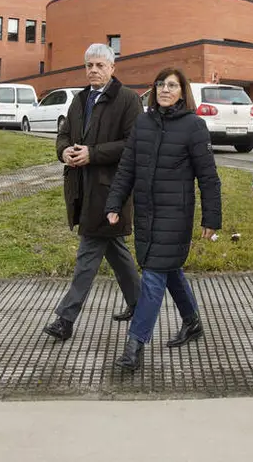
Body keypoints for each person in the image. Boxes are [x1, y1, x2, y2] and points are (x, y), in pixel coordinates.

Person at [104, 66, 221, 371]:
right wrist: (114, 202)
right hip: (146, 212)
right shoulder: (143, 123)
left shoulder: (194, 126)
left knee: (154, 274)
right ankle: (192, 322)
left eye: (172, 85)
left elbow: (208, 177)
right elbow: (127, 168)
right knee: (169, 269)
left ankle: (134, 345)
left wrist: (212, 217)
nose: (165, 90)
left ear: (183, 91)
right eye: (160, 85)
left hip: (176, 215)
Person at [42, 44, 143, 341]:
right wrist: (66, 153)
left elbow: (133, 144)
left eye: (100, 65)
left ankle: (65, 318)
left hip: (110, 192)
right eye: (89, 65)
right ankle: (140, 303)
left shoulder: (127, 100)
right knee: (115, 250)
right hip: (82, 189)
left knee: (88, 255)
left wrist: (93, 154)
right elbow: (64, 134)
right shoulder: (80, 99)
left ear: (112, 68)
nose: (93, 70)